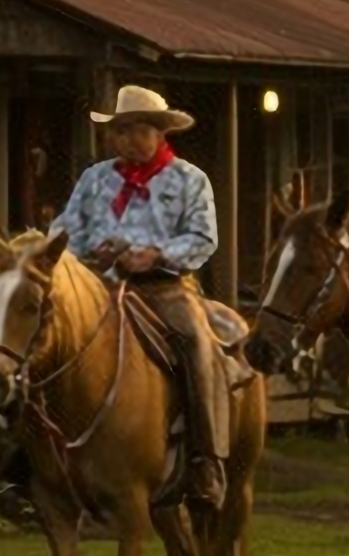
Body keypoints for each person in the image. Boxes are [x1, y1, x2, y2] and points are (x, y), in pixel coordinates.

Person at [51, 84, 228, 505]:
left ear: (161, 133)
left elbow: (204, 239)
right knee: (45, 339)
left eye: (139, 129)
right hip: (99, 290)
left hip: (165, 290)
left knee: (196, 343)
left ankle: (206, 460)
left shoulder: (190, 181)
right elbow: (66, 229)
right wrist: (73, 252)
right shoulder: (95, 180)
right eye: (122, 130)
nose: (129, 138)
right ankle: (33, 456)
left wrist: (155, 255)